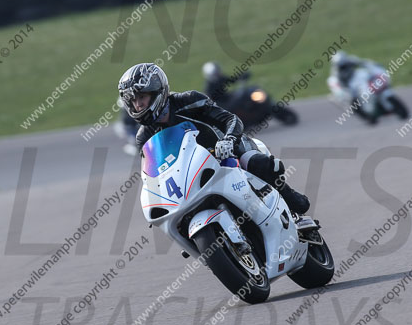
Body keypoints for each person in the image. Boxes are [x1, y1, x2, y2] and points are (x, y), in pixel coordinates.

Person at [118, 62, 310, 214]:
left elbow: (231, 119)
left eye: (141, 97)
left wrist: (229, 140)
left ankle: (288, 195)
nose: (138, 104)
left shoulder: (189, 100)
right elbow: (152, 173)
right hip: (190, 173)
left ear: (157, 91)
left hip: (226, 151)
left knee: (255, 162)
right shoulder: (143, 137)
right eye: (133, 100)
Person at [328, 51, 387, 123]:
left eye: (343, 62)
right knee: (348, 101)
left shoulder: (350, 60)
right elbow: (336, 82)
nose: (343, 65)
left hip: (357, 80)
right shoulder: (335, 71)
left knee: (368, 89)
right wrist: (343, 91)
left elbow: (363, 62)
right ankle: (365, 115)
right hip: (348, 87)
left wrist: (373, 65)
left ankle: (377, 105)